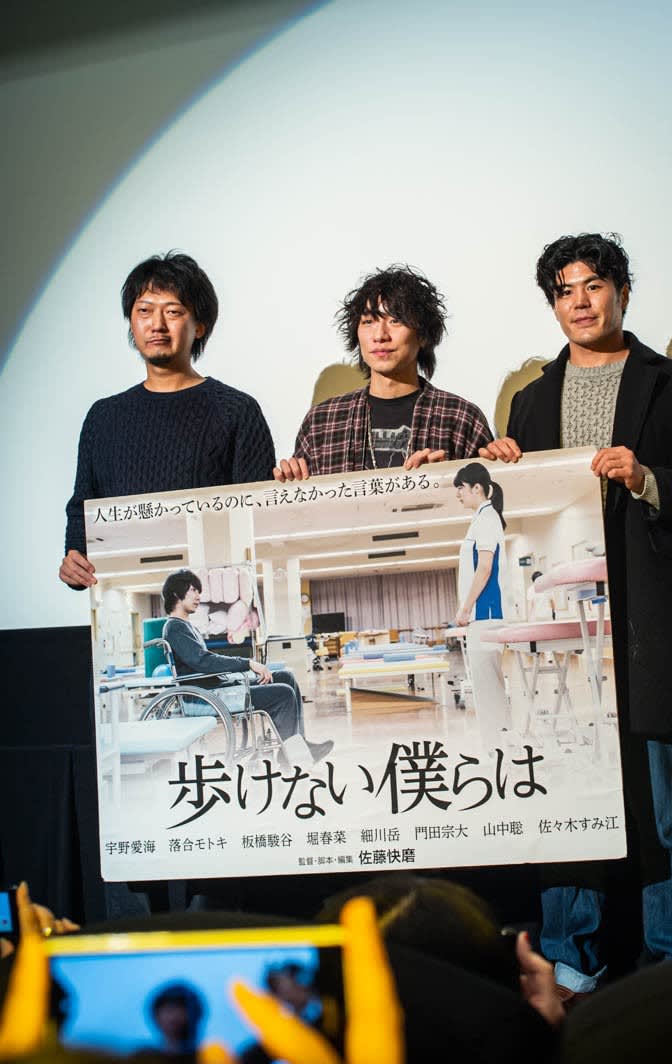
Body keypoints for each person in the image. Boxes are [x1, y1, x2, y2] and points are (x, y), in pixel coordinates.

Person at [481, 233, 672, 1001]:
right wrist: (502, 469)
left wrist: (649, 477)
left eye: (594, 285)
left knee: (668, 815)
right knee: (567, 803)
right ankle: (572, 962)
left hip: (648, 630)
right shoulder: (531, 399)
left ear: (622, 292)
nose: (581, 302)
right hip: (560, 637)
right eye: (565, 290)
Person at [60, 251, 276, 589]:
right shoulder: (102, 417)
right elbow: (83, 510)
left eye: (173, 311)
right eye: (144, 311)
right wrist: (74, 560)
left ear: (200, 326)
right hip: (127, 600)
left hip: (216, 602)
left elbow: (260, 520)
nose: (157, 324)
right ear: (131, 322)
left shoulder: (237, 410)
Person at [274, 264, 493, 480]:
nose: (380, 335)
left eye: (395, 321)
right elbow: (304, 501)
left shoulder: (460, 417)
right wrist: (290, 481)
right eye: (368, 321)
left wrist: (444, 483)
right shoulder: (322, 421)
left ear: (423, 335)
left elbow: (488, 496)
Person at [161, 569, 332, 764]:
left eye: (198, 591)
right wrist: (247, 663)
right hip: (205, 698)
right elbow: (203, 661)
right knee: (283, 694)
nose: (198, 596)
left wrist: (243, 667)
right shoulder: (175, 627)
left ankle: (298, 746)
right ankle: (292, 755)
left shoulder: (186, 626)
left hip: (215, 689)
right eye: (193, 590)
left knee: (286, 677)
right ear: (176, 593)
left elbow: (204, 660)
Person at [453, 462, 511, 755]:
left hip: (486, 614)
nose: (458, 494)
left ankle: (497, 749)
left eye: (460, 488)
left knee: (488, 687)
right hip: (482, 615)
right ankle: (499, 746)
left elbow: (485, 568)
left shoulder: (487, 519)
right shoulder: (482, 519)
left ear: (477, 487)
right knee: (488, 686)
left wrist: (465, 609)